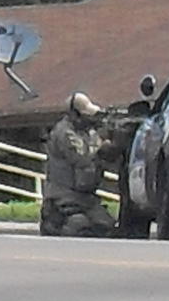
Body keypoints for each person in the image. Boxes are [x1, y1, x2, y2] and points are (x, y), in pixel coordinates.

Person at [40, 92, 120, 237]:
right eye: (85, 115)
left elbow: (103, 158)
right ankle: (53, 222)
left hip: (85, 199)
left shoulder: (88, 132)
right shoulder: (64, 132)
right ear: (74, 114)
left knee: (106, 227)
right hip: (63, 198)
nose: (89, 119)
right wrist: (103, 145)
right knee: (79, 227)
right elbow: (81, 158)